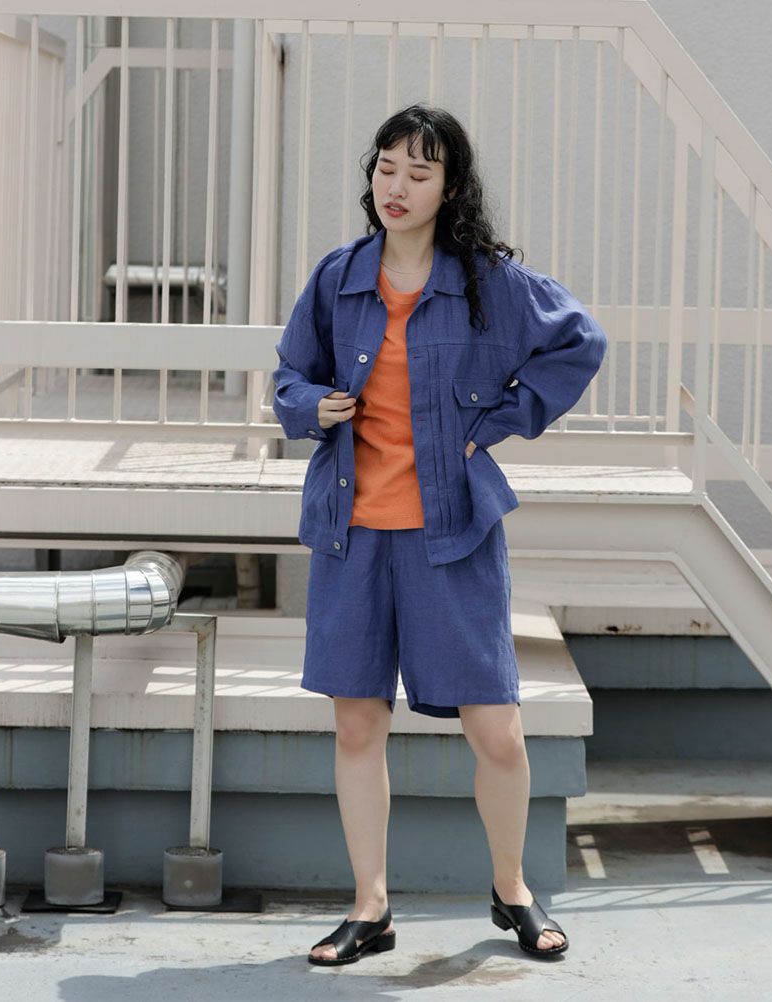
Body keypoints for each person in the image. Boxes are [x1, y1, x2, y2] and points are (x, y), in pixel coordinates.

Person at [271, 103, 607, 966]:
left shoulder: (488, 282)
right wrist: (312, 407)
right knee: (357, 726)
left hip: (452, 532)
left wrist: (499, 421)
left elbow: (579, 342)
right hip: (352, 532)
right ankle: (371, 907)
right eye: (386, 168)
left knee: (497, 730)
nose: (398, 186)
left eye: (419, 173)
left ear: (449, 188)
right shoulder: (339, 276)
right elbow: (289, 377)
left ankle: (512, 889)